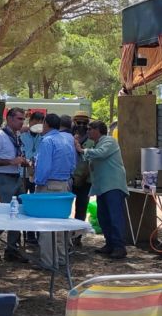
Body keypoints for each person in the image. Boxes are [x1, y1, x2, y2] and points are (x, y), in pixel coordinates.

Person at [76, 120, 130, 259]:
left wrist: (82, 150)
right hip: (102, 187)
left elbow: (101, 153)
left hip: (113, 186)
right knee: (103, 216)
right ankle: (110, 244)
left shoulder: (109, 141)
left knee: (115, 216)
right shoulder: (97, 143)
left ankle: (119, 247)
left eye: (89, 129)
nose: (87, 131)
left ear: (97, 130)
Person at [34, 113, 79, 269]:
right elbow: (73, 164)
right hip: (64, 185)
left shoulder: (48, 141)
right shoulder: (67, 140)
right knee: (60, 225)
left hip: (49, 185)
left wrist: (38, 183)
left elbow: (44, 167)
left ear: (46, 124)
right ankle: (60, 258)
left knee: (46, 226)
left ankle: (47, 262)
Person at [0, 107, 29, 262]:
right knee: (8, 212)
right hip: (4, 178)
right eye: (19, 118)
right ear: (9, 119)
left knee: (19, 212)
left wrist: (22, 162)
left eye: (23, 119)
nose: (22, 122)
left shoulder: (16, 135)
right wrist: (11, 161)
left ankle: (12, 249)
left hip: (16, 176)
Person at [70, 112, 95, 246]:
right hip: (70, 179)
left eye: (84, 123)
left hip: (86, 180)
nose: (81, 125)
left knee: (81, 208)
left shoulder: (92, 140)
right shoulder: (68, 137)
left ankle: (77, 237)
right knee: (66, 208)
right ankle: (65, 235)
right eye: (78, 123)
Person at [20, 112, 45, 194]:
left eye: (40, 123)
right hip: (22, 173)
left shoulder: (44, 138)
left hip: (37, 175)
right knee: (21, 199)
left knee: (35, 200)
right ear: (30, 122)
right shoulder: (21, 135)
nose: (37, 125)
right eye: (35, 122)